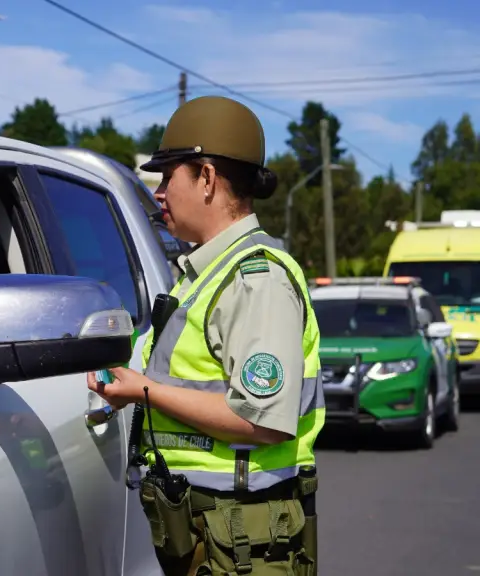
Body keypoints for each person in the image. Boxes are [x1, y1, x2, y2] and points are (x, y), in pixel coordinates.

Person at [88, 95, 324, 575]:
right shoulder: (204, 274)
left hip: (243, 542)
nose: (157, 192)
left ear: (208, 178)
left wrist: (144, 392)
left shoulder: (255, 281)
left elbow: (264, 420)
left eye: (167, 176)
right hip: (213, 532)